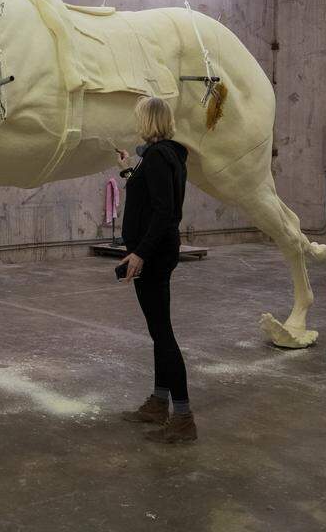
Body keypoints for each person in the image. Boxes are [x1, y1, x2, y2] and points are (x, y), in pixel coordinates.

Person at [115, 96, 196, 443]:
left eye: (139, 117)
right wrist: (130, 169)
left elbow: (164, 212)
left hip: (155, 255)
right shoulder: (164, 155)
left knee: (162, 334)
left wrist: (140, 254)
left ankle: (183, 416)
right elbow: (152, 196)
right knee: (158, 331)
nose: (136, 122)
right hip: (157, 252)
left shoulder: (160, 157)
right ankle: (159, 402)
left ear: (149, 121)